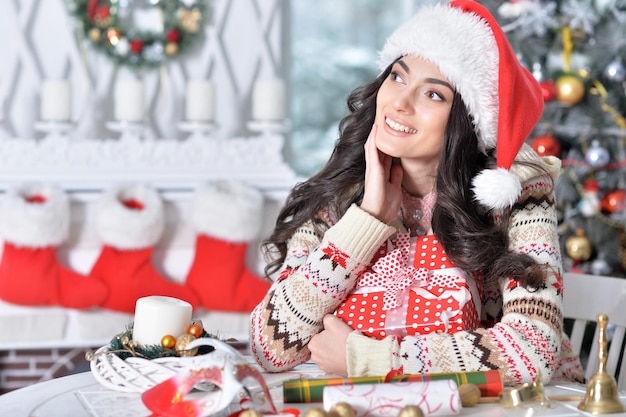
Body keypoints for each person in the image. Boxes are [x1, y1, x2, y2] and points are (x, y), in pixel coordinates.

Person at [250, 0, 584, 385]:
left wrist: (370, 358)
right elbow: (269, 346)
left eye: (434, 95)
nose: (400, 102)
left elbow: (533, 351)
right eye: (397, 77)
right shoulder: (341, 193)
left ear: (467, 121)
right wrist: (366, 222)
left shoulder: (516, 190)